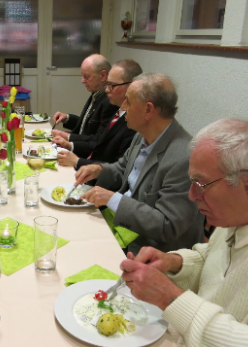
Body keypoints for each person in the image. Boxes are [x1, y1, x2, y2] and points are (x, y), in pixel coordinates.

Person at [118, 119, 248, 347]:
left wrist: (170, 297)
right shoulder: (247, 209)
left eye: (200, 184)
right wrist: (175, 262)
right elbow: (215, 260)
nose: (191, 195)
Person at [75, 73, 205, 253]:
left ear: (148, 110)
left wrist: (113, 199)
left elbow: (168, 225)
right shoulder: (142, 135)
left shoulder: (184, 158)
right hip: (123, 229)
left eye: (128, 101)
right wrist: (98, 169)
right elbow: (123, 170)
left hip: (151, 252)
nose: (123, 107)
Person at [56, 59, 141, 171]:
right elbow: (97, 140)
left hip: (97, 176)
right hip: (89, 166)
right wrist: (69, 143)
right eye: (107, 84)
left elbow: (119, 170)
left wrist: (77, 159)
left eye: (111, 85)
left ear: (131, 87)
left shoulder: (133, 122)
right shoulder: (118, 110)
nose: (106, 90)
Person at [50, 54, 120, 151]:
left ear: (103, 75)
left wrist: (68, 137)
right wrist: (67, 118)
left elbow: (98, 140)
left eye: (87, 77)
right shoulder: (97, 93)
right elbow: (87, 126)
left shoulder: (109, 101)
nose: (82, 81)